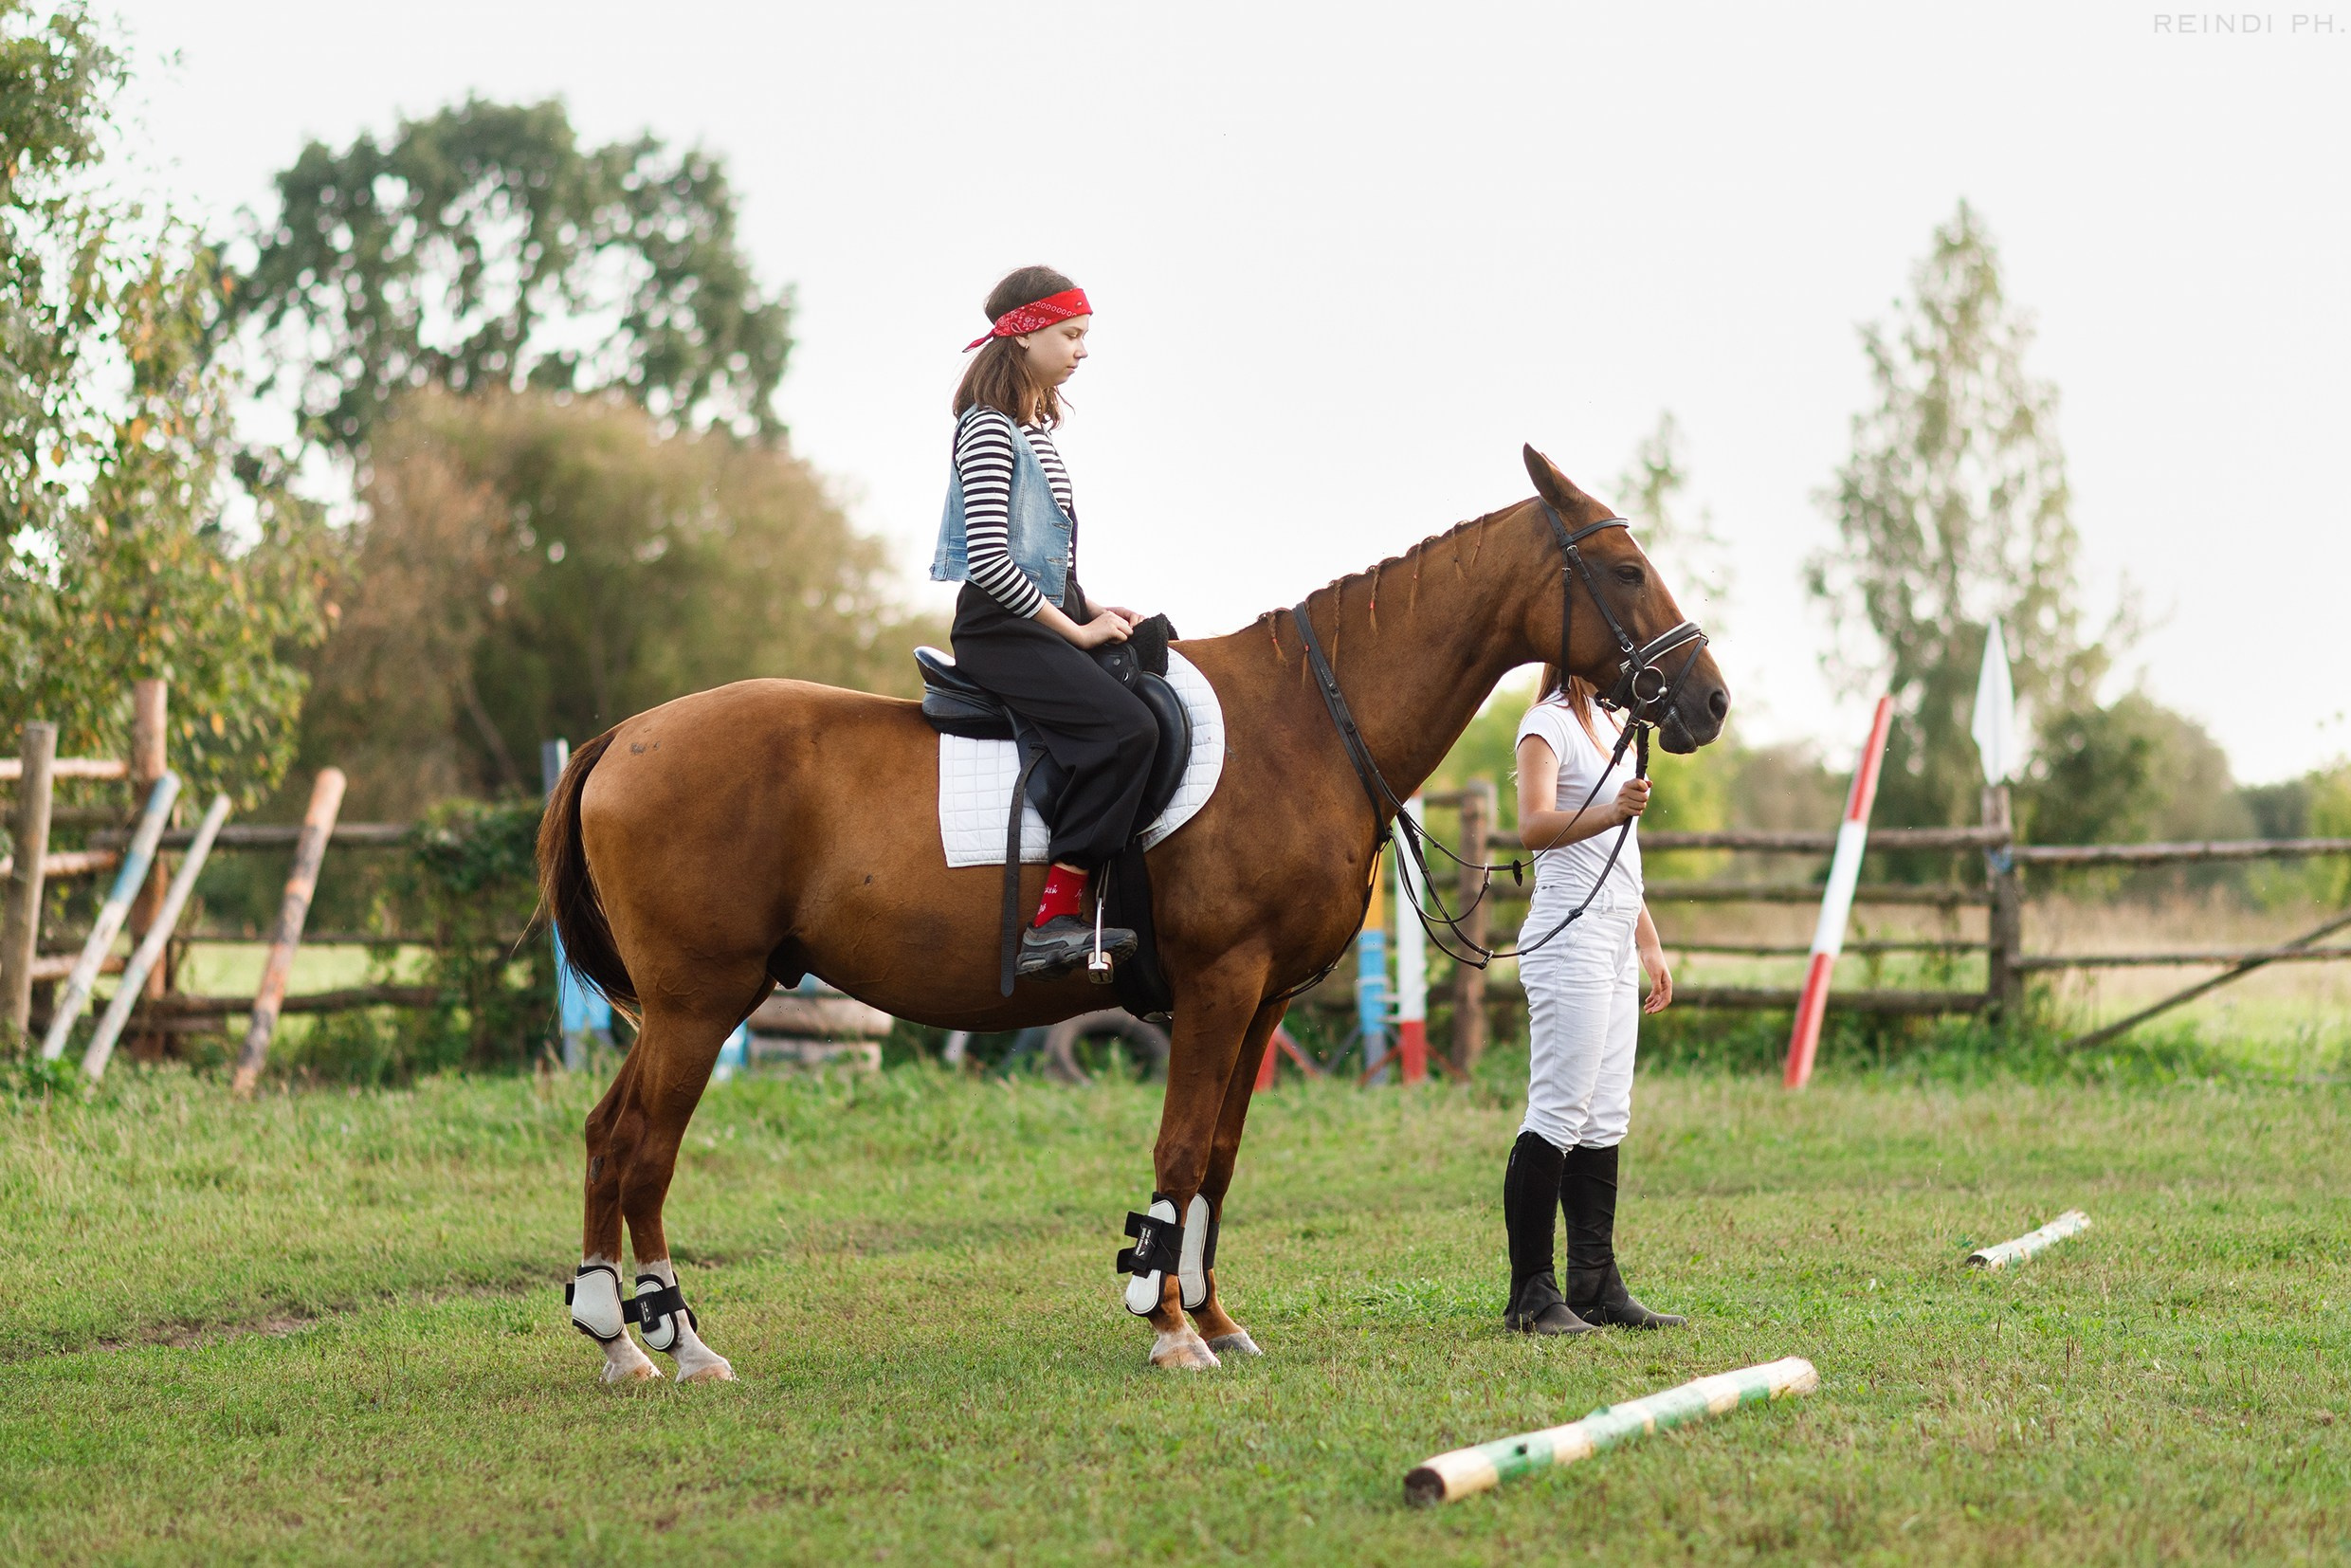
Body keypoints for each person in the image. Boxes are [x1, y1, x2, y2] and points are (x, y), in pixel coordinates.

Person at [931, 266, 1158, 978]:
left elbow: (1047, 561)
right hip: (1000, 631)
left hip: (1040, 618)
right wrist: (1079, 633)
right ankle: (1055, 916)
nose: (1082, 351)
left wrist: (1095, 607)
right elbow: (992, 564)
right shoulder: (988, 431)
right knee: (1128, 730)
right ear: (1025, 335)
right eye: (1071, 334)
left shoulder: (1036, 434)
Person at [1501, 665, 1685, 1335]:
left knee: (1606, 1114)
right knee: (1559, 1108)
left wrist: (1649, 942)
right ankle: (1531, 1294)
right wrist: (1612, 808)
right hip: (1567, 934)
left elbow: (1619, 851)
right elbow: (1532, 825)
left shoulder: (1609, 724)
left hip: (1613, 933)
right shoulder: (1545, 723)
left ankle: (1595, 1283)